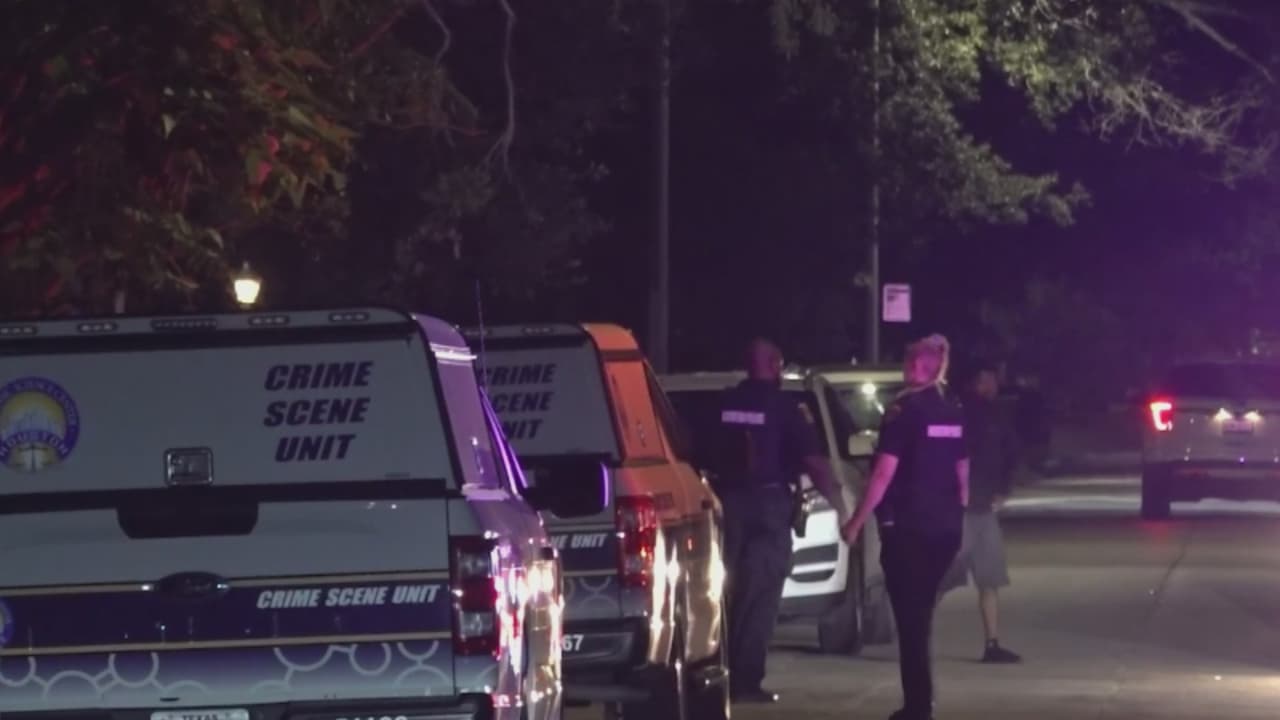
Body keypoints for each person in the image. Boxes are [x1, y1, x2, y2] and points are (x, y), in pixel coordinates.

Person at [841, 334, 968, 720]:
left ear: (916, 367)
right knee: (920, 616)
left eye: (907, 362)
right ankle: (920, 702)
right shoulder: (952, 409)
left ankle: (917, 706)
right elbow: (963, 474)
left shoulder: (904, 411)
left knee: (911, 622)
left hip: (910, 529)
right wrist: (956, 512)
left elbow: (883, 473)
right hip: (945, 529)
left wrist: (856, 521)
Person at [713, 338, 845, 704]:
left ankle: (716, 676)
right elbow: (815, 465)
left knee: (724, 593)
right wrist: (843, 510)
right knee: (761, 597)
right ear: (775, 365)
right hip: (768, 508)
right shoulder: (786, 408)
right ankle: (745, 681)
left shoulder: (724, 403)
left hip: (726, 507)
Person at [942, 362, 1022, 663]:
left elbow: (1008, 453)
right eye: (990, 380)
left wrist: (1002, 488)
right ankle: (916, 632)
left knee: (988, 579)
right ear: (978, 382)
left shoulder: (990, 415)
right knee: (946, 576)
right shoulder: (962, 413)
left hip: (979, 507)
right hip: (965, 509)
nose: (995, 386)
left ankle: (992, 642)